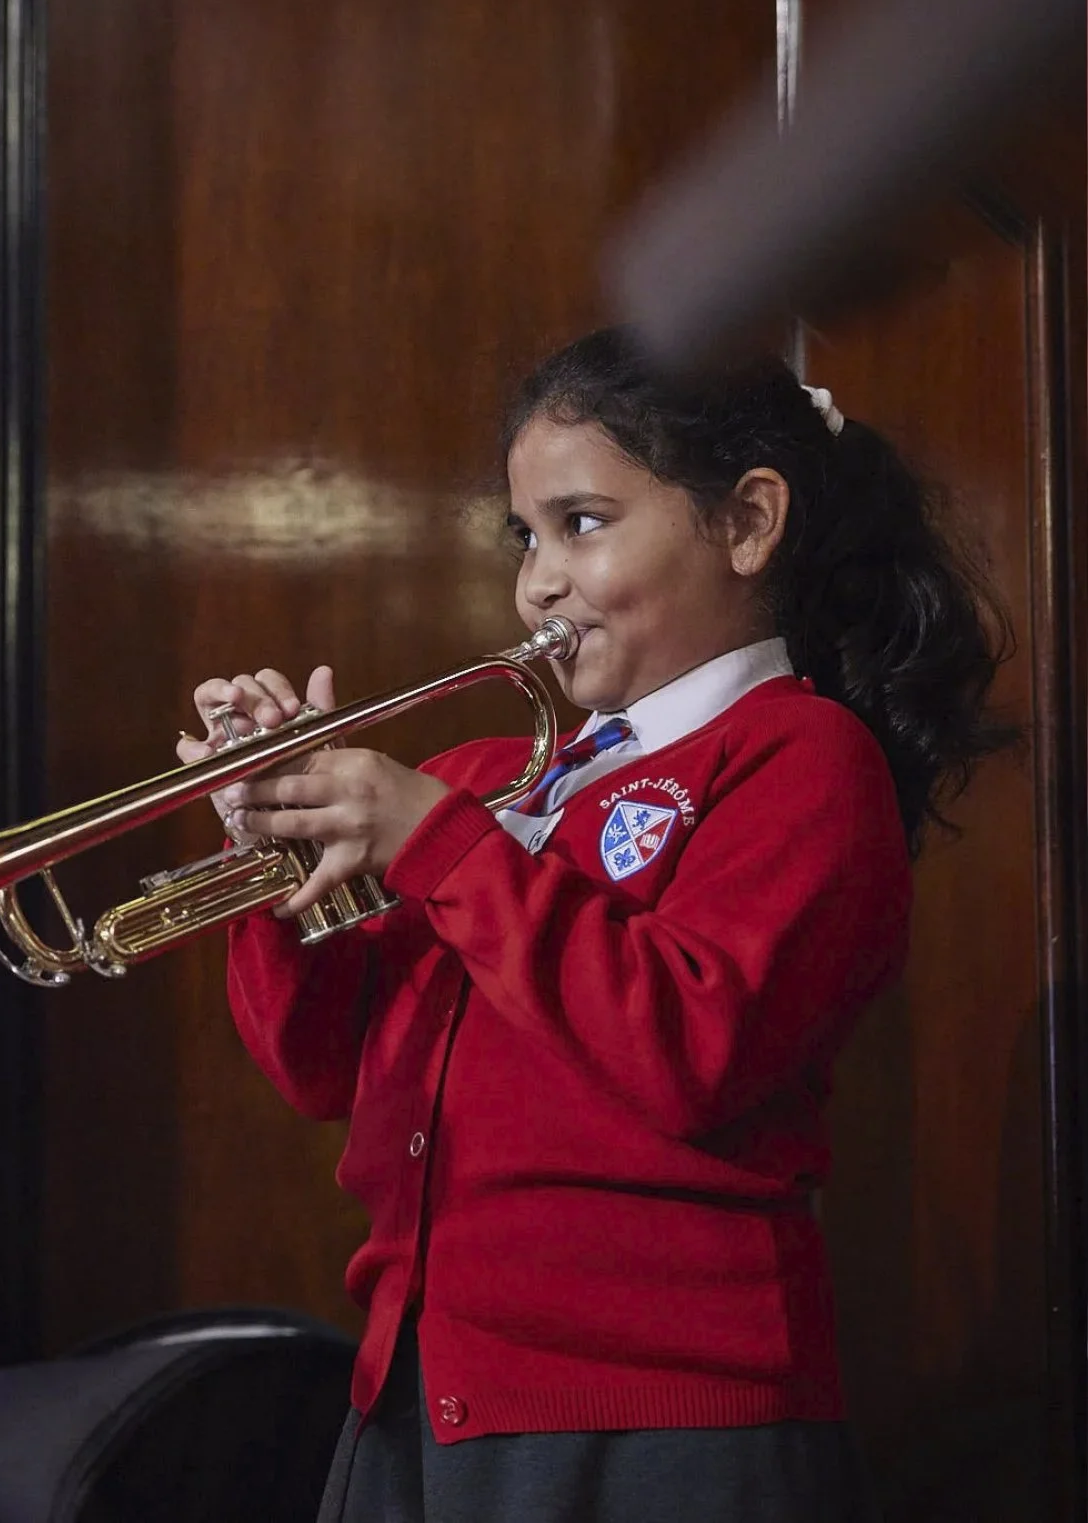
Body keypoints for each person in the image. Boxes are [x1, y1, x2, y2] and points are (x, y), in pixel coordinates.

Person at [179, 327, 1010, 1523]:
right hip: (420, 1387)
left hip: (661, 1410)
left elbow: (695, 1046)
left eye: (581, 522)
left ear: (747, 522)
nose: (538, 582)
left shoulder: (799, 754)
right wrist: (273, 849)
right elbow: (318, 1067)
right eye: (524, 535)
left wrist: (438, 844)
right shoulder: (479, 779)